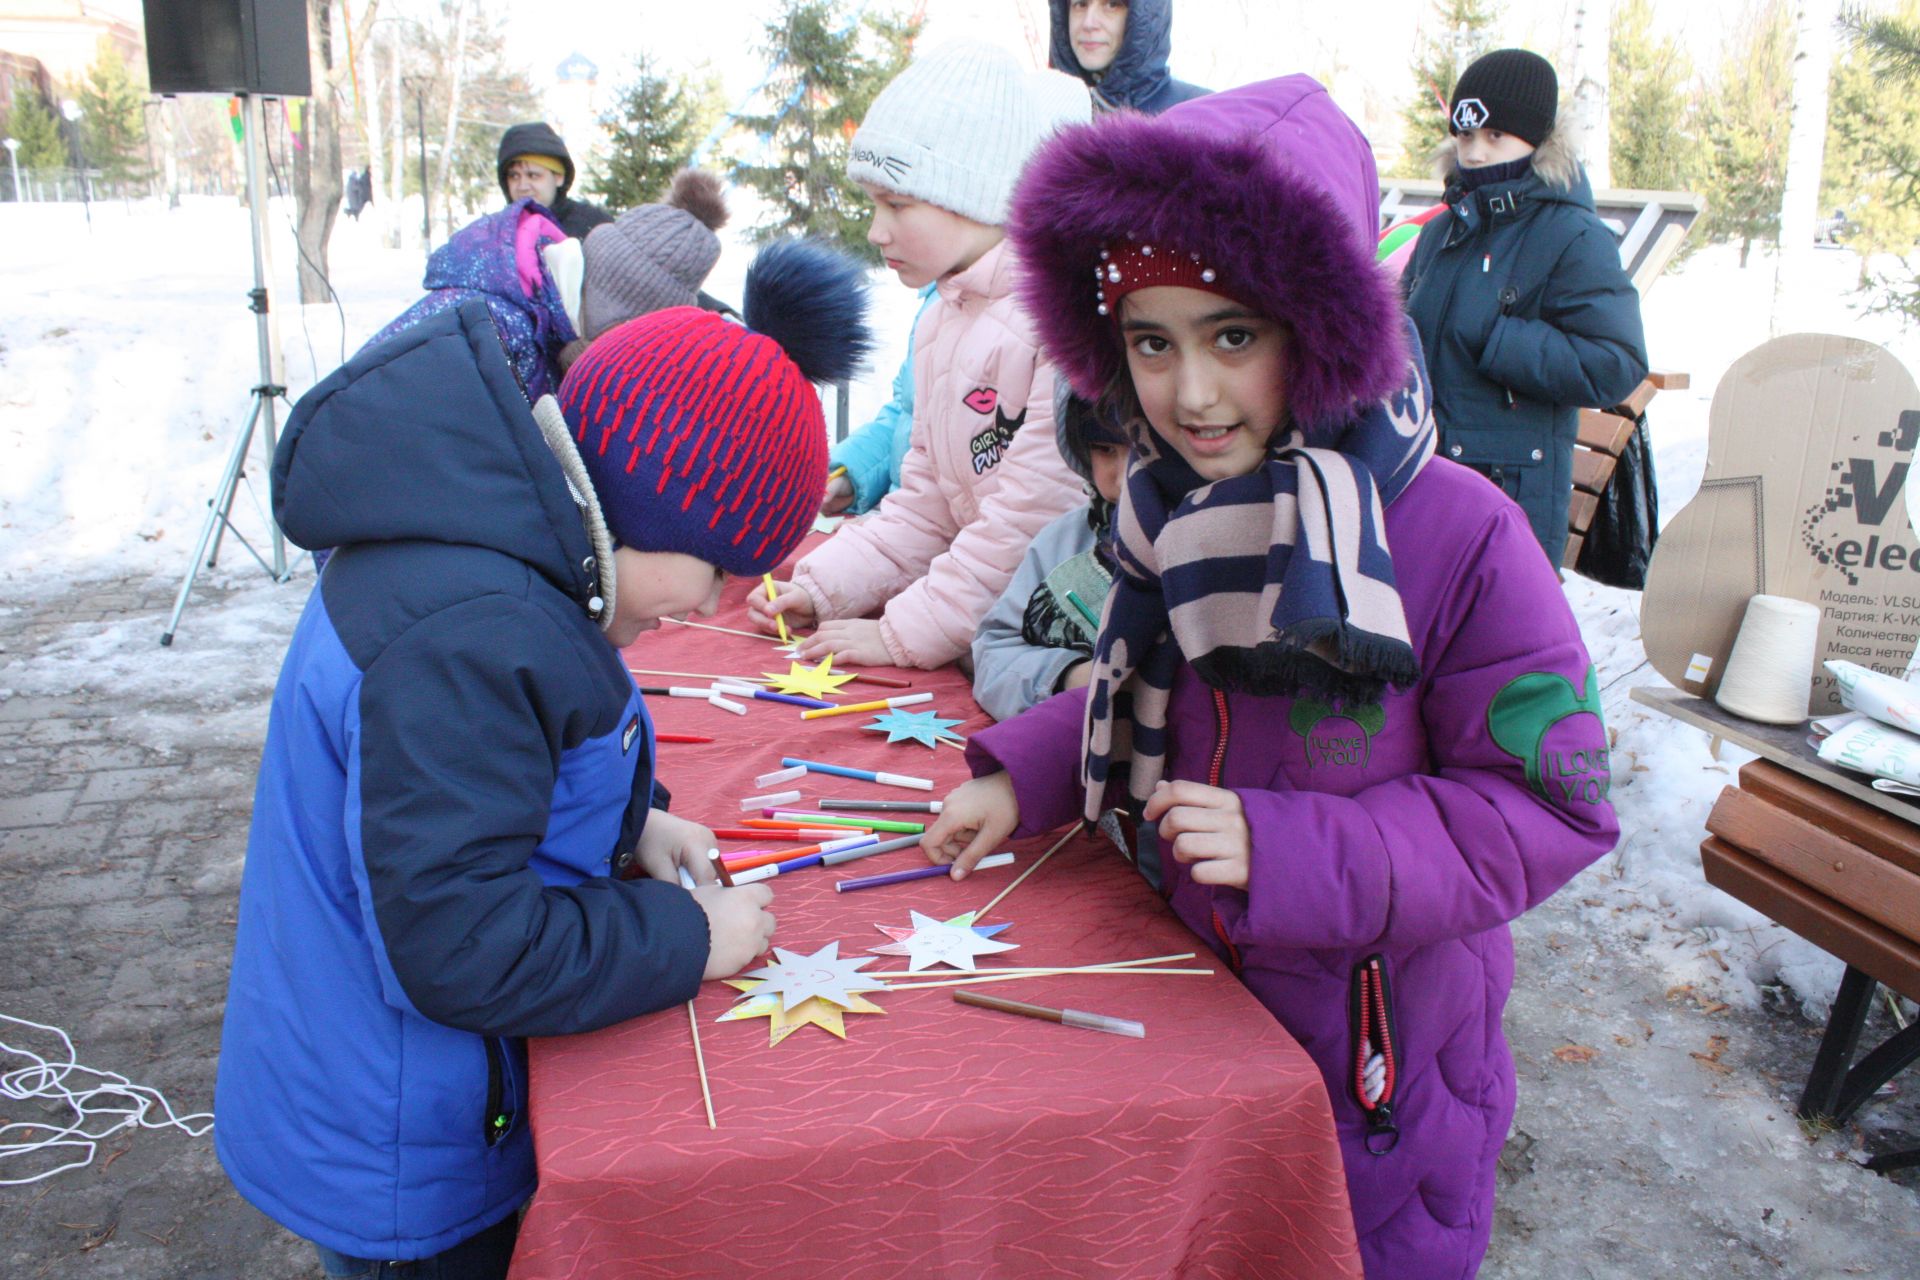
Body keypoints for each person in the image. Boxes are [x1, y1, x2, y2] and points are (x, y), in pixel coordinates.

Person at [922, 77, 1619, 1278]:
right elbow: (1148, 689)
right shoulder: (1169, 507)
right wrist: (1029, 771)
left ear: (1320, 323)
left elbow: (1553, 806)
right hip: (1200, 1031)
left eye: (1233, 335)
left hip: (1373, 1083)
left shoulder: (1458, 533)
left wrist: (1288, 849)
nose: (1190, 393)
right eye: (1152, 341)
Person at [214, 237, 873, 1277]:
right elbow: (462, 944)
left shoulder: (503, 553)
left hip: (414, 1094)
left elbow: (500, 780)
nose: (708, 606)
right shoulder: (472, 629)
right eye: (714, 571)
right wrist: (683, 937)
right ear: (650, 509)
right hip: (406, 1138)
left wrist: (633, 821)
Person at [750, 42, 1089, 670]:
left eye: (898, 205)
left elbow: (1027, 523)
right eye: (874, 205)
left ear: (975, 195)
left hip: (1058, 635)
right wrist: (825, 586)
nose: (877, 231)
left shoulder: (1061, 326)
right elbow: (926, 500)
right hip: (983, 611)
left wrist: (901, 633)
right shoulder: (942, 319)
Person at [1401, 48, 1648, 568]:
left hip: (1508, 497)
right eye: (1466, 136)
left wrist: (1500, 340)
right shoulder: (1442, 232)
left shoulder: (1572, 236)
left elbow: (1616, 362)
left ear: (1535, 138)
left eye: (1495, 135)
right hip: (1423, 478)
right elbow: (1398, 331)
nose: (1476, 153)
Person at [970, 388, 1126, 721]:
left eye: (1145, 450)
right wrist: (1066, 676)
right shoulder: (1064, 542)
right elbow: (995, 651)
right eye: (1105, 449)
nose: (1124, 476)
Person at [1049, 0, 1208, 115]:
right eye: (1081, 4)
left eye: (1112, 5)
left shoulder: (1198, 114)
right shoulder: (1038, 113)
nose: (1088, 23)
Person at [497, 121, 613, 240]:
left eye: (533, 176)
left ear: (558, 178)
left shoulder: (594, 226)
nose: (523, 186)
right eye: (514, 176)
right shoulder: (495, 233)